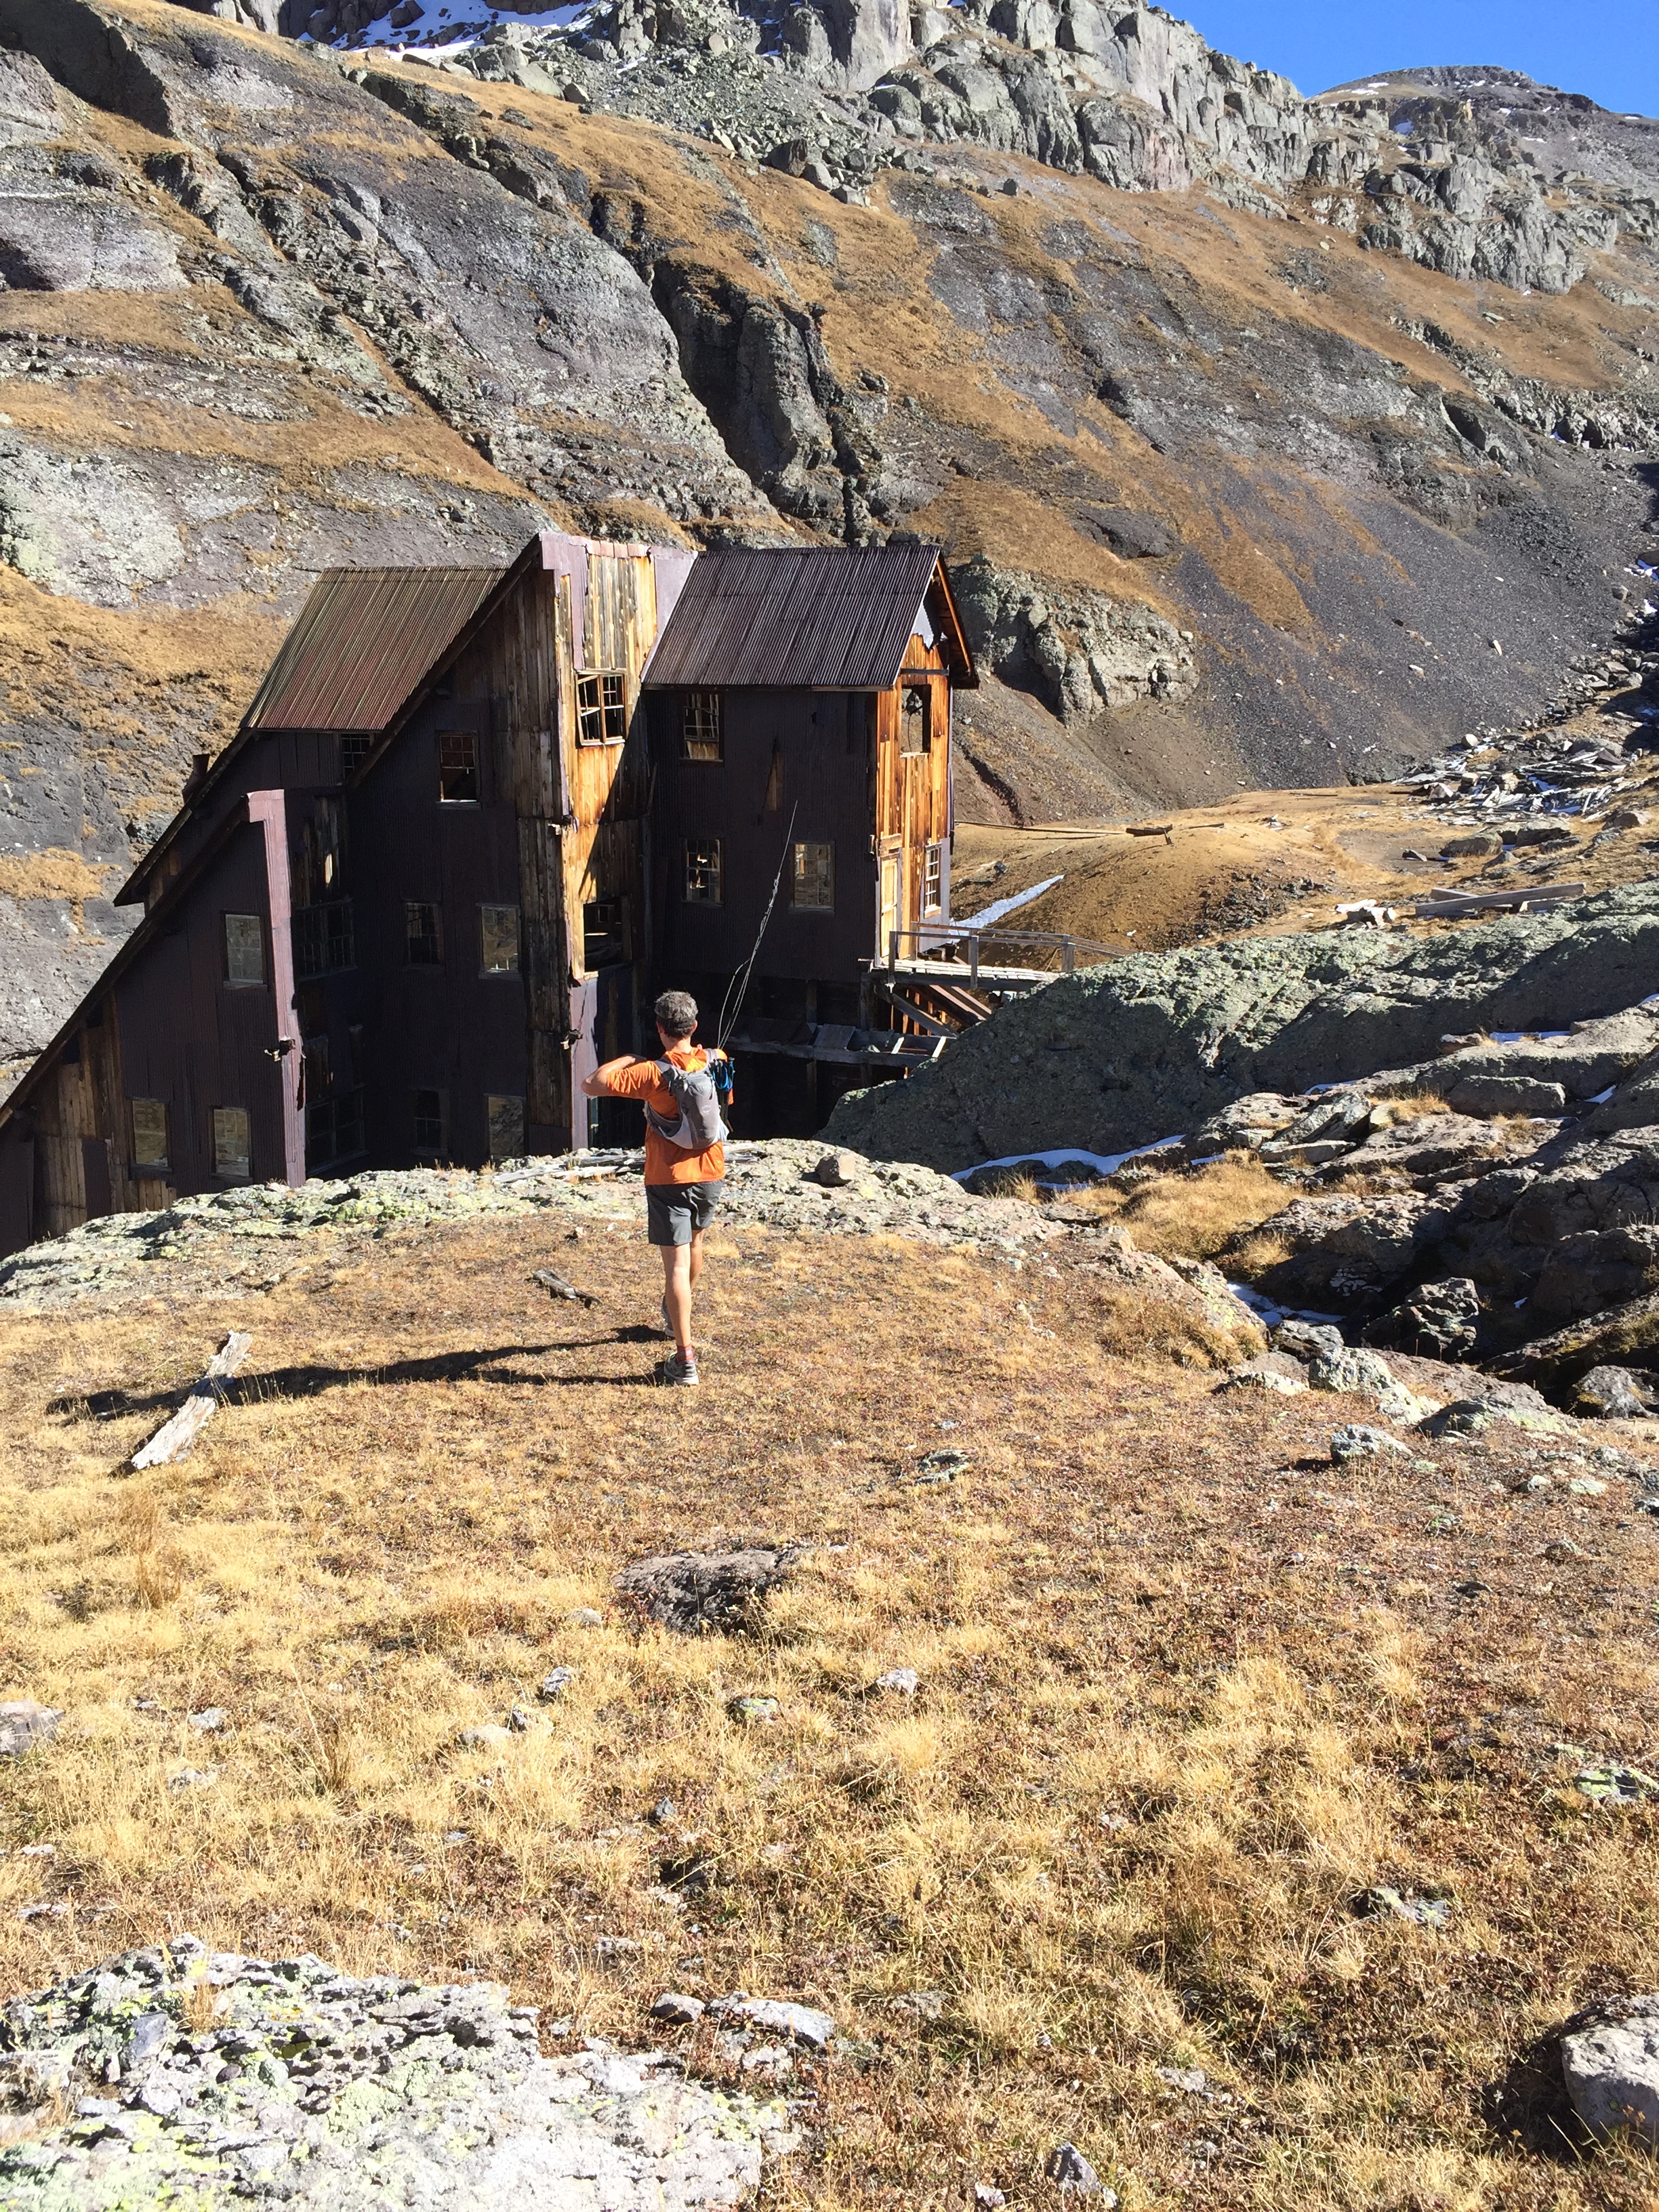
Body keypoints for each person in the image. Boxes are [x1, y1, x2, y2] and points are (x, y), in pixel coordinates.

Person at [581, 990, 726, 1387]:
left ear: (659, 1029)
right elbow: (724, 1104)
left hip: (667, 1177)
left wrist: (627, 1058)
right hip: (711, 1171)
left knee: (675, 1264)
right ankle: (676, 1317)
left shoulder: (652, 1073)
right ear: (694, 1026)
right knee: (695, 1246)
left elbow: (591, 1084)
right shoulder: (717, 1060)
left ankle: (685, 1358)